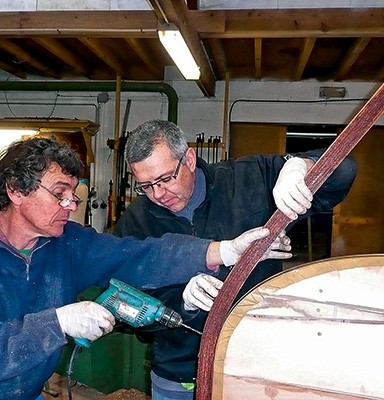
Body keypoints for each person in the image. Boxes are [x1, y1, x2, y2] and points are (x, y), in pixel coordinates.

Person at [0, 136, 294, 400]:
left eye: (73, 195)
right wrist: (57, 323)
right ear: (15, 190)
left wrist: (223, 251)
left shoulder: (67, 241)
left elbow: (138, 255)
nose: (70, 205)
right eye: (59, 194)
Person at [114, 119, 357, 399]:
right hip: (178, 373)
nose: (158, 194)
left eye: (166, 179)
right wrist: (183, 302)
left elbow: (344, 169)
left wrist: (301, 165)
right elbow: (127, 305)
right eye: (145, 186)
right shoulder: (135, 223)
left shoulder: (250, 180)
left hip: (253, 366)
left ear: (189, 158)